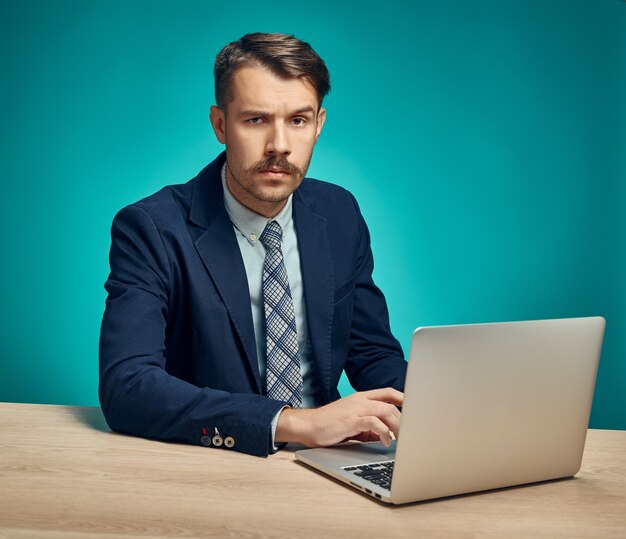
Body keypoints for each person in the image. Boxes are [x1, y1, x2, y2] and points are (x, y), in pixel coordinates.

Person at [99, 32, 407, 457]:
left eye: (297, 120)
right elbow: (128, 387)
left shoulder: (340, 213)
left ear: (318, 124)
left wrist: (440, 410)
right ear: (220, 125)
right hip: (215, 463)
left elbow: (372, 355)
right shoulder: (151, 229)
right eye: (256, 120)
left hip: (333, 462)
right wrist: (293, 422)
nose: (279, 145)